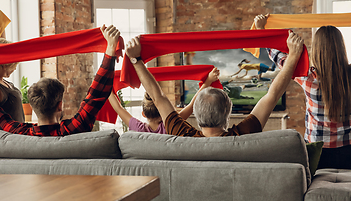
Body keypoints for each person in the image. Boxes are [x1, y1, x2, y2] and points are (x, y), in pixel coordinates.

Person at [125, 31, 303, 137]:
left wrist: (136, 59)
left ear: (195, 111)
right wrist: (293, 56)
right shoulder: (243, 135)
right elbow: (271, 97)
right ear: (228, 113)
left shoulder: (180, 133)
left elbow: (158, 98)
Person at [255, 14, 351, 170]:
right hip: (350, 151)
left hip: (317, 152)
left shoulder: (306, 76)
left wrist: (261, 29)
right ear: (342, 47)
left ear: (316, 49)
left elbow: (276, 55)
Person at [0, 25, 120, 136]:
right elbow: (96, 96)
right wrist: (110, 48)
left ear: (32, 107)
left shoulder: (18, 134)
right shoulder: (73, 130)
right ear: (60, 106)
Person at [108, 67, 220, 134]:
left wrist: (104, 82)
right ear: (162, 112)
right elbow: (191, 106)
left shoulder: (137, 128)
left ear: (143, 113)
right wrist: (208, 81)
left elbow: (118, 108)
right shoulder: (171, 125)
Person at [0, 39, 24, 122]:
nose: (14, 68)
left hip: (18, 132)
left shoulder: (6, 83)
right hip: (7, 134)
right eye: (13, 64)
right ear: (4, 64)